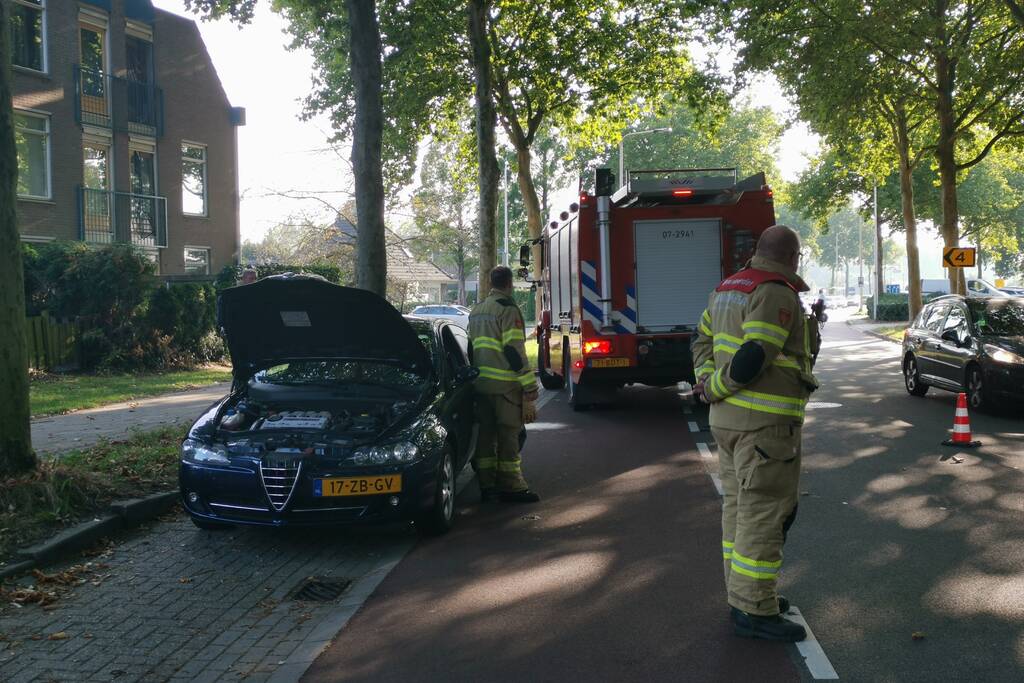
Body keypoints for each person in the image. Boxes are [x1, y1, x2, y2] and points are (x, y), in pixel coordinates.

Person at [691, 225, 820, 643]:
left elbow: (701, 340)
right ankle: (755, 610)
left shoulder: (727, 288)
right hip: (764, 428)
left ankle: (743, 593)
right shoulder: (775, 292)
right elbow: (753, 357)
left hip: (727, 424)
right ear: (792, 257)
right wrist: (715, 387)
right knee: (765, 513)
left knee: (738, 511)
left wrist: (708, 381)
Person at [468, 266, 540, 504]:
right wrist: (529, 385)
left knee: (486, 437)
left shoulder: (477, 311)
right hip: (505, 388)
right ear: (509, 284)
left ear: (491, 283)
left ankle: (487, 487)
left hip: (481, 386)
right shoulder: (508, 310)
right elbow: (513, 350)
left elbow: (472, 349)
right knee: (509, 435)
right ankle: (512, 487)